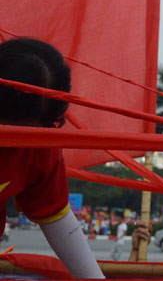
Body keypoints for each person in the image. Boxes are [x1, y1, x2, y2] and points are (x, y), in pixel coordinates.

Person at [0, 37, 104, 278]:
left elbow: (54, 216)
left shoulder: (39, 142)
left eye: (31, 129)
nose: (18, 142)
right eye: (10, 127)